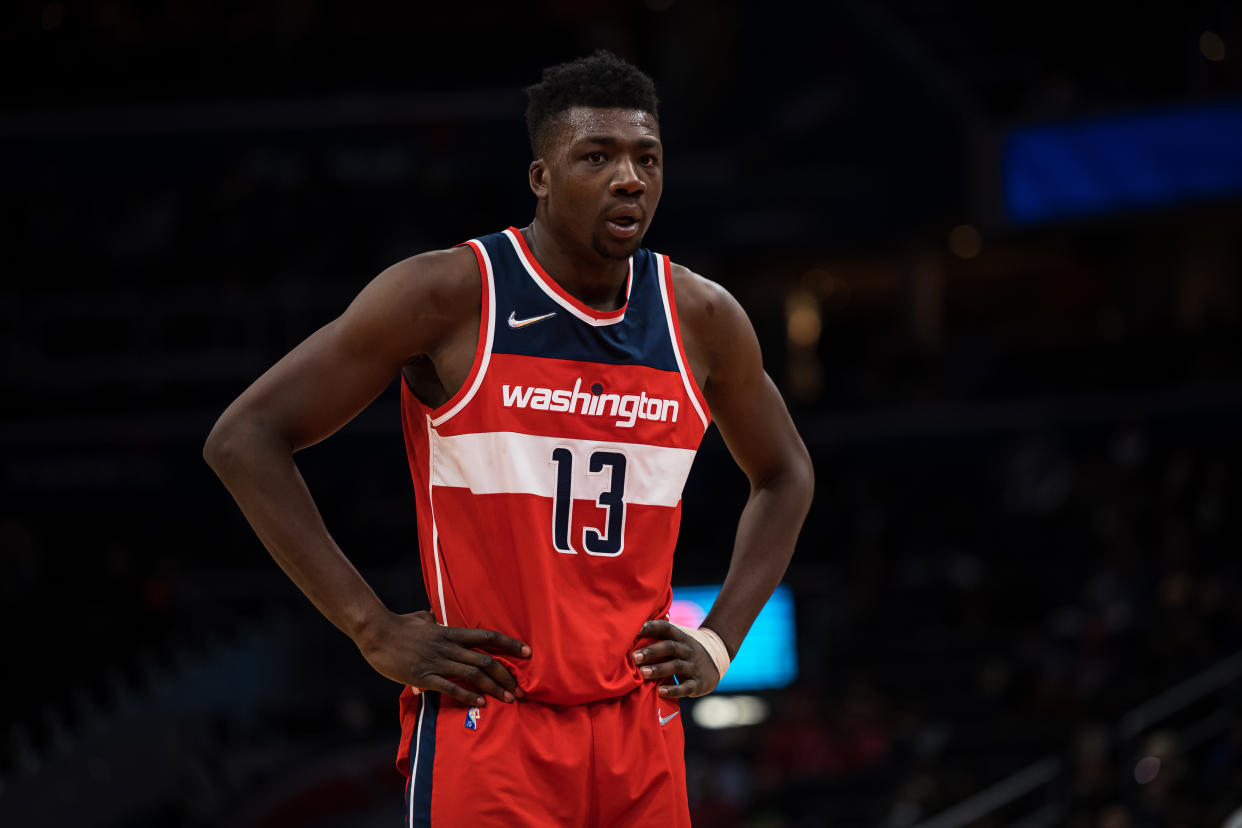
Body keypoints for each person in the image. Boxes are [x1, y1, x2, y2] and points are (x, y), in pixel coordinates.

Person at [204, 50, 813, 827]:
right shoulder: (451, 294)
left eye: (647, 159)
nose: (630, 178)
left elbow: (786, 474)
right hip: (494, 722)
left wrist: (722, 641)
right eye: (597, 157)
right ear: (541, 178)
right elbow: (245, 438)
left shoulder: (702, 317)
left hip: (641, 727)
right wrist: (371, 627)